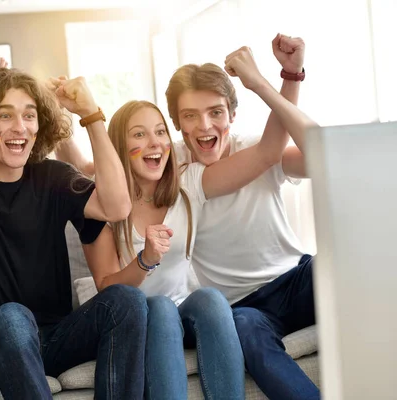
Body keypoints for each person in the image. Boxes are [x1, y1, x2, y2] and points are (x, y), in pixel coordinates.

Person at [0, 51, 148, 399]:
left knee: (126, 300)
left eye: (29, 116)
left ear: (41, 126)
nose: (20, 127)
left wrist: (92, 116)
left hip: (54, 337)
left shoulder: (53, 177)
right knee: (13, 317)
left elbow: (117, 206)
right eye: (5, 115)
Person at [71, 47, 291, 400]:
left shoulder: (189, 183)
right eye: (139, 135)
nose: (154, 142)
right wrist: (145, 260)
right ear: (120, 145)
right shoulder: (103, 206)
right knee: (157, 307)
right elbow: (107, 286)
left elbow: (268, 153)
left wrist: (280, 79)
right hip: (134, 323)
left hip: (182, 314)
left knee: (210, 300)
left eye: (159, 132)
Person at [165, 35, 320, 399]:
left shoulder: (253, 146)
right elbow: (95, 167)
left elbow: (324, 156)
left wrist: (277, 79)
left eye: (216, 112)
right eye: (190, 115)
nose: (204, 127)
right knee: (245, 328)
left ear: (232, 115)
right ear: (176, 123)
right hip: (242, 307)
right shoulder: (169, 165)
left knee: (350, 266)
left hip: (296, 278)